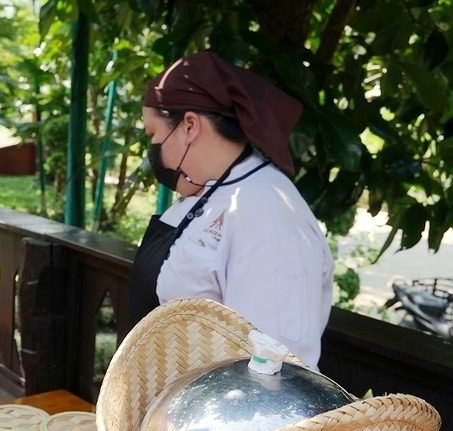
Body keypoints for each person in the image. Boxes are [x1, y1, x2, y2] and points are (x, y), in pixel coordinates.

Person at [127, 51, 333, 369]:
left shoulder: (269, 217)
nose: (153, 149)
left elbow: (275, 369)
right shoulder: (213, 190)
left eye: (153, 134)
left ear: (189, 126)